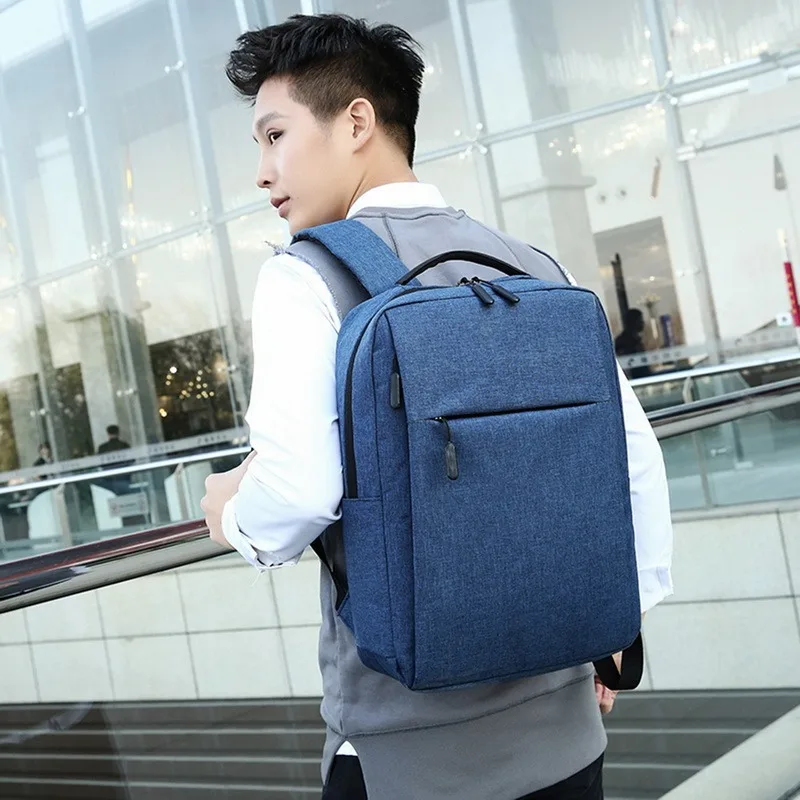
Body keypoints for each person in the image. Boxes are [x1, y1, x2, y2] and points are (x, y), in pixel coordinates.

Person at [201, 14, 673, 800]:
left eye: (275, 134)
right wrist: (614, 635)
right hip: (565, 742)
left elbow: (298, 493)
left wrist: (232, 514)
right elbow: (633, 462)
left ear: (357, 121)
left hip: (405, 758)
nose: (262, 170)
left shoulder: (306, 277)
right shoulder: (530, 266)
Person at [615, 308, 652, 380]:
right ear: (632, 322)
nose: (643, 323)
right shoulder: (623, 341)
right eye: (640, 320)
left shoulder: (637, 340)